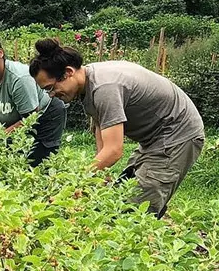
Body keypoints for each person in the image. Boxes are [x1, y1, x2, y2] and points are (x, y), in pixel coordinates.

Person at [29, 38, 205, 217]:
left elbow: (114, 150)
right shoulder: (89, 81)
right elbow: (101, 125)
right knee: (124, 190)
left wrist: (75, 182)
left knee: (134, 208)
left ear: (68, 72)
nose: (52, 95)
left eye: (51, 88)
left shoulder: (105, 88)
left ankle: (151, 226)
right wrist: (101, 171)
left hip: (178, 135)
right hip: (154, 138)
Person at [0, 35, 67, 167]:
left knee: (38, 162)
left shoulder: (19, 78)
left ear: (0, 53)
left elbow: (30, 118)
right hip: (17, 121)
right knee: (10, 160)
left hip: (44, 115)